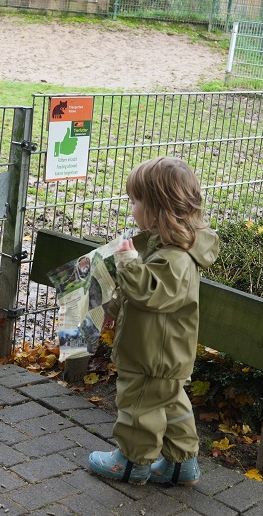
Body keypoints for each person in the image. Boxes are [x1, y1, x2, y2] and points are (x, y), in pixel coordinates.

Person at [87, 156, 220, 485]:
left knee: (138, 409)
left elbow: (149, 293)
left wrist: (128, 264)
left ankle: (132, 462)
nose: (132, 209)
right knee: (171, 404)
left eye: (136, 202)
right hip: (165, 353)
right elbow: (141, 298)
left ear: (158, 208)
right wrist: (112, 308)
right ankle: (180, 464)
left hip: (151, 355)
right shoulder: (167, 249)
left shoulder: (175, 260)